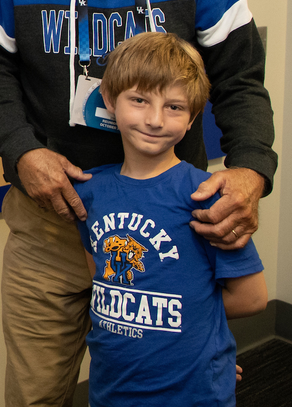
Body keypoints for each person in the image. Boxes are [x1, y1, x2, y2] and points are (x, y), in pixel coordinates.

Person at [0, 0, 276, 407]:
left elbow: (240, 78)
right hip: (52, 222)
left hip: (170, 224)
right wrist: (23, 152)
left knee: (165, 385)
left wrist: (250, 171)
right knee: (35, 395)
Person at [77, 31, 267, 406]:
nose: (155, 119)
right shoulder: (90, 190)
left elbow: (252, 298)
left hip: (192, 393)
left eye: (174, 107)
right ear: (111, 101)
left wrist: (203, 337)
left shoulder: (206, 195)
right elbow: (101, 278)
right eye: (139, 100)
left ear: (193, 116)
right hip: (111, 390)